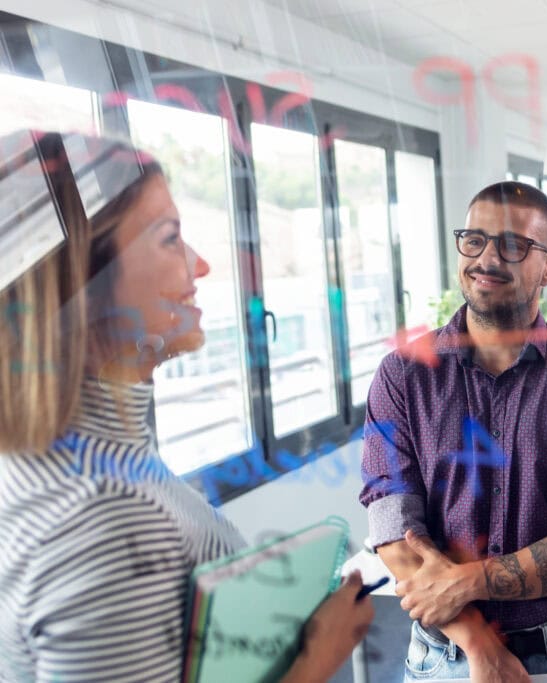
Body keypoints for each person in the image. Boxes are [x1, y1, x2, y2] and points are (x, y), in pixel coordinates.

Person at [0, 131, 374, 682]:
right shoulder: (105, 513)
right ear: (85, 282)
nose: (199, 266)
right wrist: (318, 655)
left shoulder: (71, 460)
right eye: (170, 238)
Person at [359, 181, 547, 682]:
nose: (486, 258)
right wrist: (479, 644)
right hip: (444, 655)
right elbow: (392, 527)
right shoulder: (402, 375)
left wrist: (467, 582)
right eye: (474, 240)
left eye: (512, 244)